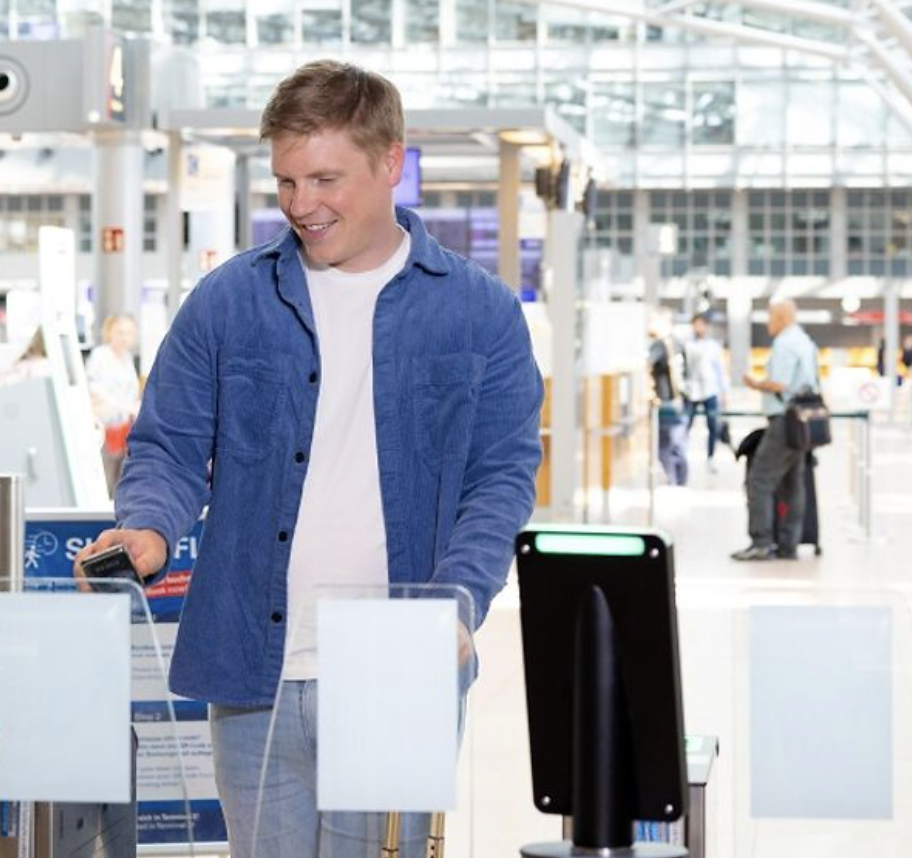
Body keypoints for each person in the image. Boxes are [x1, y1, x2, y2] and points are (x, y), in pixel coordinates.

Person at [70, 60, 544, 858]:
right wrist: (147, 527)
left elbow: (499, 480)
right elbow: (170, 445)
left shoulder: (480, 314)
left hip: (398, 662)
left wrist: (460, 601)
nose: (301, 206)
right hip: (252, 664)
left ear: (391, 162)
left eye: (325, 179)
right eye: (286, 182)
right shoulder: (226, 303)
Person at [731, 298, 818, 562]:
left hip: (784, 421)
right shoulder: (805, 341)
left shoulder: (784, 343)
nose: (768, 322)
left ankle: (761, 542)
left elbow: (779, 383)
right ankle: (788, 544)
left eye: (770, 317)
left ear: (781, 317)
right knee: (793, 484)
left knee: (759, 480)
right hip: (803, 423)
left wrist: (756, 384)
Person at [86, 314, 141, 497]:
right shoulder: (100, 356)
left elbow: (130, 390)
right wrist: (123, 406)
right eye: (120, 332)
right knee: (105, 480)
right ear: (109, 332)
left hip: (123, 428)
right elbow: (94, 387)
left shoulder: (127, 358)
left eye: (129, 333)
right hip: (104, 426)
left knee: (120, 480)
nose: (125, 337)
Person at [683, 313, 730, 470]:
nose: (698, 328)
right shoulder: (687, 345)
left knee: (712, 425)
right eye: (696, 324)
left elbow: (720, 370)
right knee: (686, 424)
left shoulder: (713, 347)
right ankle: (682, 455)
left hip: (710, 391)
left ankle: (710, 457)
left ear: (706, 326)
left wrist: (724, 392)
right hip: (692, 391)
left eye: (701, 324)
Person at [649, 318, 689, 486]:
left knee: (663, 446)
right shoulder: (678, 343)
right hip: (680, 401)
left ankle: (672, 481)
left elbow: (646, 362)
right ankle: (681, 481)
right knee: (677, 444)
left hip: (665, 401)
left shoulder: (658, 345)